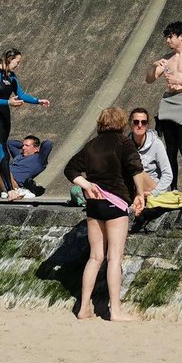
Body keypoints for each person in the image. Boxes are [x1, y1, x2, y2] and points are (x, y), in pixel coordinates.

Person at [64, 107, 155, 321]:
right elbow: (135, 169)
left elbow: (70, 169)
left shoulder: (91, 145)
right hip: (115, 203)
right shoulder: (124, 143)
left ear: (101, 122)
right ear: (122, 122)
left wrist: (87, 185)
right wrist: (140, 194)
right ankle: (115, 311)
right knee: (114, 258)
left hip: (94, 205)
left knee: (95, 257)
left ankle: (83, 308)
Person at [0, 48, 50, 201]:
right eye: (17, 62)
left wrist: (38, 101)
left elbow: (21, 94)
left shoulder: (12, 77)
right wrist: (8, 102)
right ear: (9, 59)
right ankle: (11, 191)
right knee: (4, 153)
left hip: (5, 121)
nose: (18, 65)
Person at [145, 21, 182, 193]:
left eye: (170, 37)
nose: (168, 40)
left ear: (181, 36)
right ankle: (173, 188)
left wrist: (179, 80)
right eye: (167, 37)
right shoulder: (167, 58)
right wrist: (154, 66)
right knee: (170, 148)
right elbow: (149, 79)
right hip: (168, 101)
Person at [128, 107, 172, 194]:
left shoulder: (156, 144)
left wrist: (154, 193)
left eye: (143, 122)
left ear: (147, 125)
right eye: (136, 122)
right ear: (130, 124)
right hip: (133, 188)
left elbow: (168, 174)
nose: (140, 125)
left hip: (152, 189)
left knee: (138, 170)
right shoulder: (126, 145)